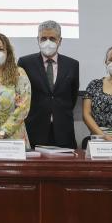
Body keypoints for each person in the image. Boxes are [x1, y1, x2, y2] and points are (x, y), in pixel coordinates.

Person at [18, 20, 79, 148]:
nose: (48, 42)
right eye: (43, 38)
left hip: (63, 131)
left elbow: (72, 96)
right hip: (34, 129)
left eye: (52, 38)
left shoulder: (72, 64)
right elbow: (21, 95)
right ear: (38, 40)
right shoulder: (25, 63)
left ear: (60, 41)